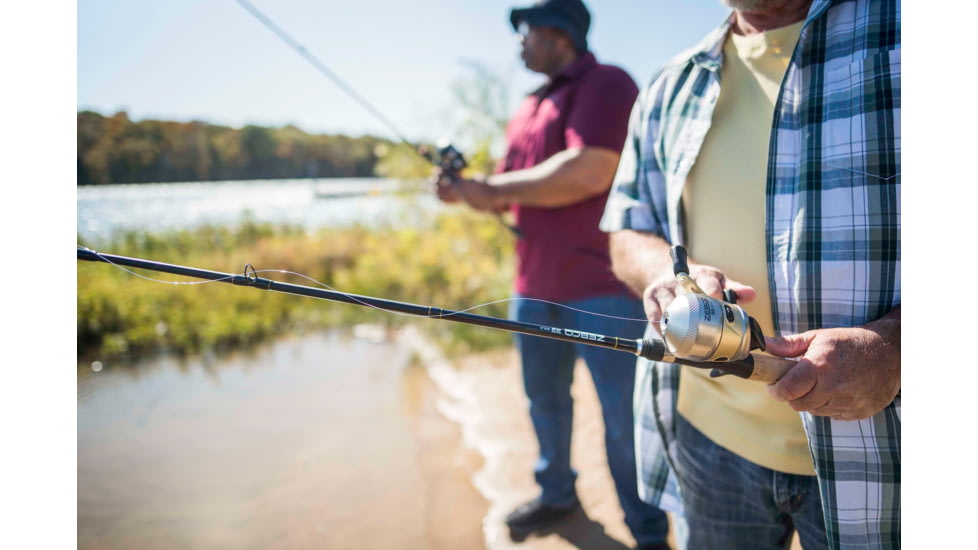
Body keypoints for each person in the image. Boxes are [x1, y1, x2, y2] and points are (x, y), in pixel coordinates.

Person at [600, 0, 900, 548]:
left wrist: (897, 348)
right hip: (705, 444)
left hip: (884, 459)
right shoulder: (669, 85)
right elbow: (627, 230)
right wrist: (663, 275)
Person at [434, 0, 672, 548]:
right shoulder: (526, 107)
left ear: (561, 35)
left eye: (527, 30)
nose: (519, 42)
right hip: (531, 290)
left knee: (622, 423)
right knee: (543, 401)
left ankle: (648, 532)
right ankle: (557, 494)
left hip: (605, 292)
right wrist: (466, 192)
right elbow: (510, 190)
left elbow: (590, 168)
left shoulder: (607, 83)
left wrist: (492, 190)